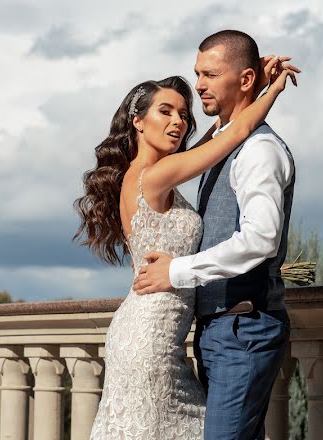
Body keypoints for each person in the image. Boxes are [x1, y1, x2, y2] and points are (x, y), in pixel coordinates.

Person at [75, 49, 298, 440]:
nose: (178, 122)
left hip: (158, 330)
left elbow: (219, 135)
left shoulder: (152, 173)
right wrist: (272, 90)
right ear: (138, 121)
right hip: (150, 335)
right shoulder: (156, 176)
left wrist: (251, 90)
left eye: (183, 114)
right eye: (165, 111)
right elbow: (236, 132)